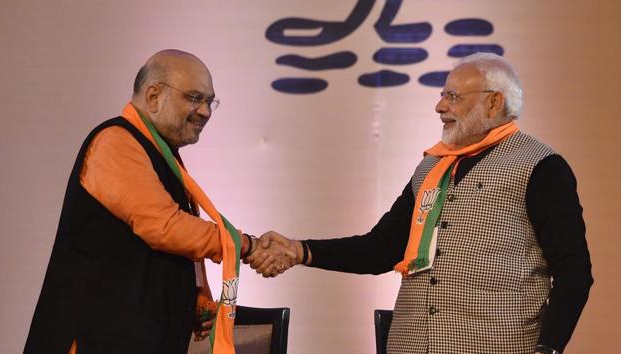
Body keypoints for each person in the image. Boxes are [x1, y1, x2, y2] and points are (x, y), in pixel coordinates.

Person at [248, 53, 593, 354]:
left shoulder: (541, 166)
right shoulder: (432, 166)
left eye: (453, 97)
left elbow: (574, 271)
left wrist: (548, 349)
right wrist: (300, 250)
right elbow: (381, 248)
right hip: (410, 344)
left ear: (493, 103)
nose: (440, 106)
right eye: (443, 95)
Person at [25, 50, 257, 354]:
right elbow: (166, 226)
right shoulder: (116, 142)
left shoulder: (162, 153)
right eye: (194, 98)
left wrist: (196, 302)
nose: (205, 112)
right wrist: (245, 244)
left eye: (209, 101)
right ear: (153, 95)